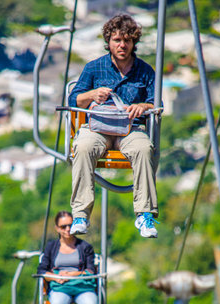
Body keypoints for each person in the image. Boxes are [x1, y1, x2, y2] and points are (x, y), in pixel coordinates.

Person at [68, 14, 160, 238]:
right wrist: (92, 94)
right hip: (99, 127)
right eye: (117, 40)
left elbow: (157, 104)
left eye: (127, 40)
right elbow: (74, 101)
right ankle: (81, 213)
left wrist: (142, 106)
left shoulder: (146, 71)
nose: (122, 45)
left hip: (130, 128)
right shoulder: (94, 68)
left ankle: (144, 215)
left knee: (143, 149)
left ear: (133, 43)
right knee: (82, 147)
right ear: (108, 41)